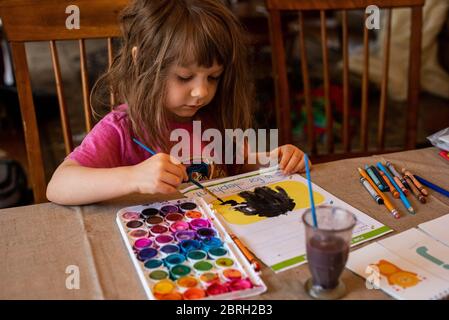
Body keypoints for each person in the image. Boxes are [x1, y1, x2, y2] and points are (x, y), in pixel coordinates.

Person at [46, 0, 309, 205]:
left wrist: (274, 160)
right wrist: (133, 177)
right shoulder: (122, 128)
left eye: (213, 77)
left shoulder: (215, 116)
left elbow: (240, 162)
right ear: (143, 61)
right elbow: (58, 185)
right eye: (184, 77)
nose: (201, 92)